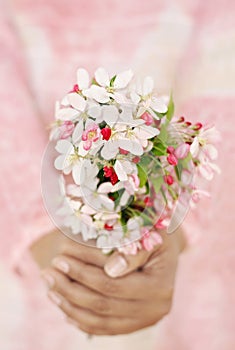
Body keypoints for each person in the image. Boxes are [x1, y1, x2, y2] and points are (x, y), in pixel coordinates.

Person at [1, 0, 234, 349]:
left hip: (191, 270)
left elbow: (224, 83)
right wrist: (59, 248)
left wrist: (172, 229)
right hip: (33, 280)